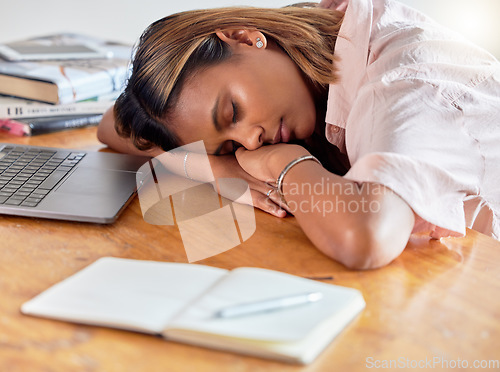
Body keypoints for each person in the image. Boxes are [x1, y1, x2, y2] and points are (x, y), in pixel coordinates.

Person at [97, 0, 500, 269]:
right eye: (231, 144)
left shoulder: (402, 81)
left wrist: (285, 164)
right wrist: (214, 167)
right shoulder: (319, 46)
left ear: (244, 37)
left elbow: (366, 238)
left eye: (232, 111)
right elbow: (111, 126)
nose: (250, 142)